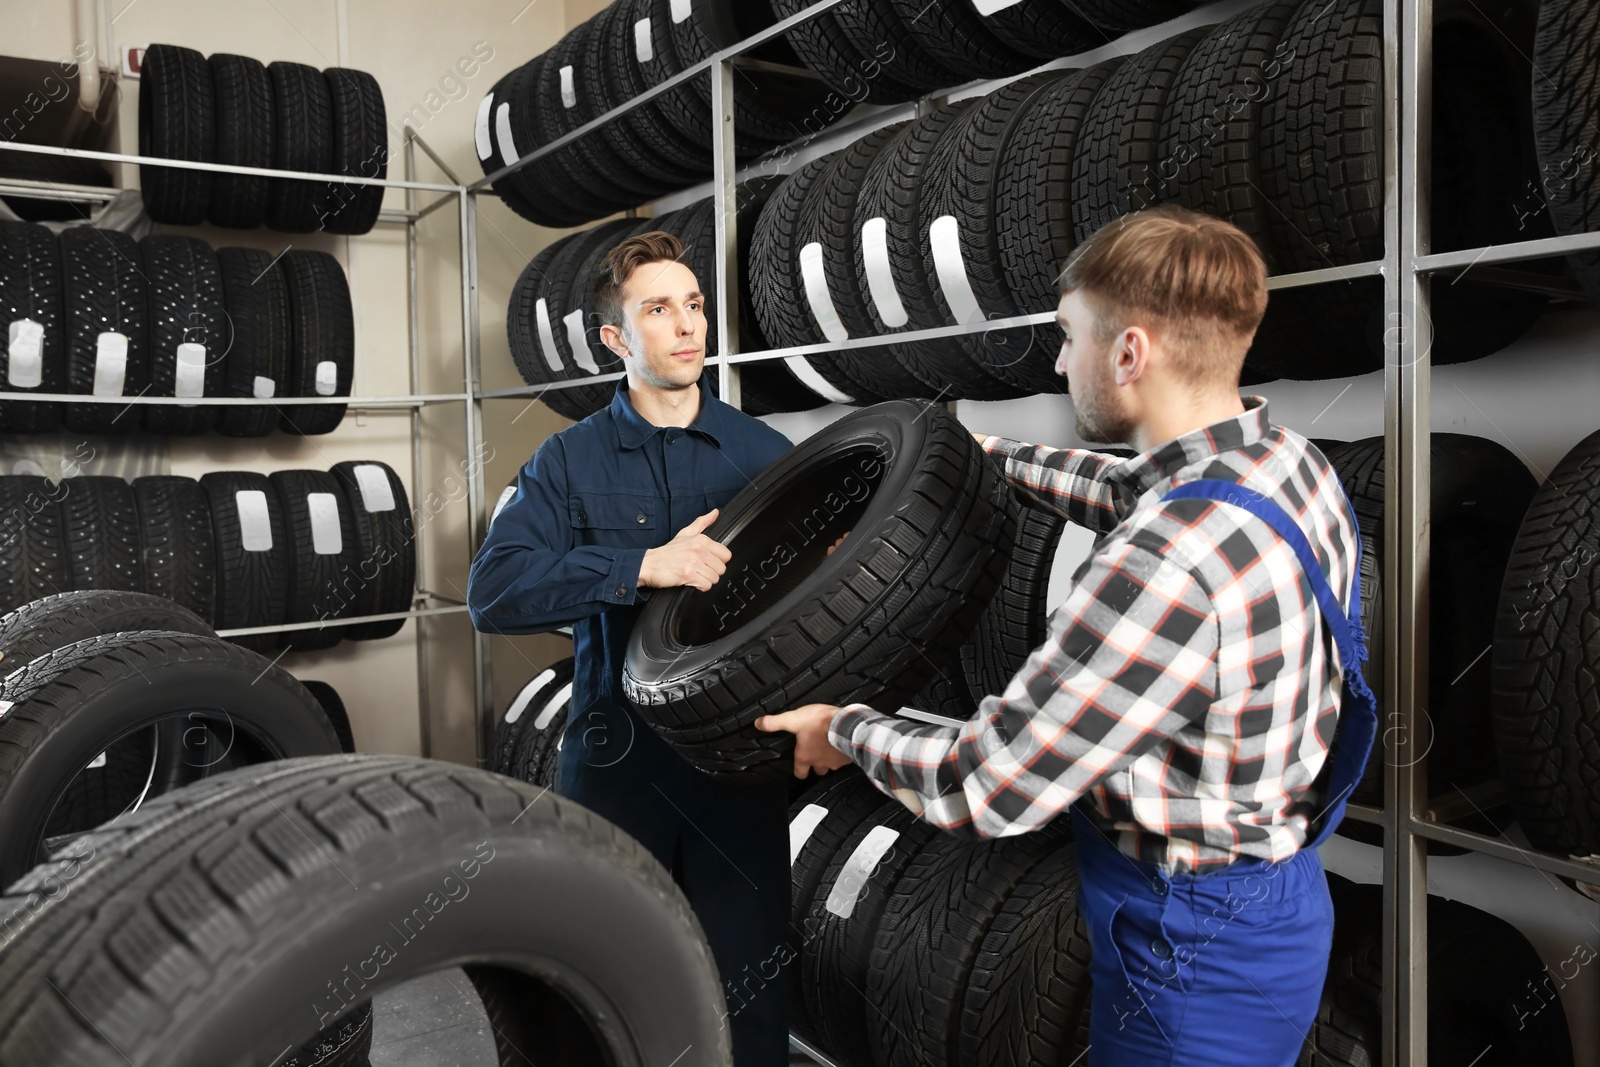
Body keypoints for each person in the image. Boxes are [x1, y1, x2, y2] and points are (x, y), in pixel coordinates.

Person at [756, 205, 1378, 1067]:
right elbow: (1135, 489)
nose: (1057, 361)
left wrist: (845, 729)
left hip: (1189, 955)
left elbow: (991, 785)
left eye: (1068, 336)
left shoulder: (1162, 566)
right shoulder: (1284, 463)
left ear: (1128, 353)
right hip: (1280, 899)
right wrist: (975, 453)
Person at [469, 230, 794, 1065]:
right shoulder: (567, 463)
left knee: (748, 1001)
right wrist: (644, 564)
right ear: (617, 339)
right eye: (659, 309)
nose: (687, 325)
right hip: (619, 764)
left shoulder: (766, 457)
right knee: (599, 991)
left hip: (738, 770)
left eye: (693, 305)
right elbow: (494, 592)